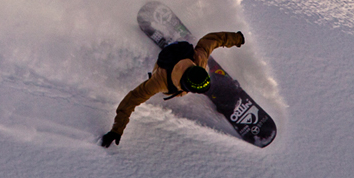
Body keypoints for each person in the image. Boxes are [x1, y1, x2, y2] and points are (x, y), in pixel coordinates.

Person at [100, 30, 245, 147]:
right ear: (188, 87)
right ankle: (168, 46)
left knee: (209, 77)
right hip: (166, 67)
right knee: (163, 84)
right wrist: (116, 130)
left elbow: (212, 39)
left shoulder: (199, 59)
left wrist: (237, 38)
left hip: (185, 60)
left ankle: (218, 87)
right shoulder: (159, 81)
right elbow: (131, 99)